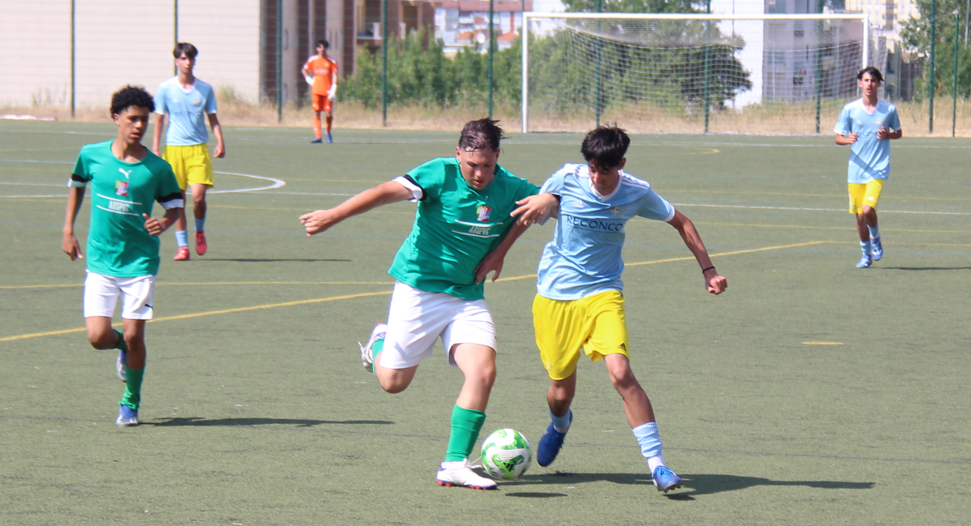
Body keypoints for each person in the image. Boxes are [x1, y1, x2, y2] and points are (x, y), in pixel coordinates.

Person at [299, 119, 551, 490]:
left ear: (497, 157)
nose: (479, 174)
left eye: (486, 165)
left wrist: (504, 247)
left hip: (466, 295)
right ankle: (380, 342)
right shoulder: (438, 174)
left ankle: (453, 464)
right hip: (419, 289)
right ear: (458, 155)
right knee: (393, 382)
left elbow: (537, 208)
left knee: (483, 371)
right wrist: (333, 215)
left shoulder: (511, 187)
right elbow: (385, 191)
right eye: (471, 165)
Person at [521, 125, 727, 494]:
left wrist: (708, 270)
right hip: (555, 295)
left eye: (605, 169)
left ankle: (658, 465)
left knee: (620, 373)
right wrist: (545, 202)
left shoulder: (636, 191)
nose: (597, 176)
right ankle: (560, 425)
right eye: (593, 168)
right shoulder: (567, 177)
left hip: (603, 293)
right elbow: (543, 204)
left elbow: (681, 222)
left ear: (621, 164)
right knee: (559, 392)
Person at [62, 85, 184, 427]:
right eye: (132, 119)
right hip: (101, 260)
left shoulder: (156, 168)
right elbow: (76, 185)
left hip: (140, 263)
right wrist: (68, 230)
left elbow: (175, 203)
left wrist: (165, 222)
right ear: (116, 118)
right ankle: (121, 349)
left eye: (144, 120)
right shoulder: (92, 155)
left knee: (135, 336)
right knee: (98, 337)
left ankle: (130, 402)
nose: (139, 126)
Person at [152, 42, 226, 261]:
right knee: (178, 201)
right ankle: (182, 247)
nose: (187, 62)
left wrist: (220, 141)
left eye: (191, 58)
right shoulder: (165, 88)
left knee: (198, 197)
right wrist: (155, 147)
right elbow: (158, 120)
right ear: (176, 61)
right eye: (183, 58)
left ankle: (199, 230)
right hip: (174, 150)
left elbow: (213, 119)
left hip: (197, 150)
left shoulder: (204, 89)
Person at [834, 66, 902, 268]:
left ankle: (876, 238)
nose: (869, 84)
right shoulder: (850, 109)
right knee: (860, 216)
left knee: (867, 208)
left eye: (873, 81)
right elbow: (838, 137)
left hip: (878, 169)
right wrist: (847, 140)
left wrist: (888, 135)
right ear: (859, 83)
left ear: (879, 84)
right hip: (856, 170)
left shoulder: (888, 109)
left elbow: (898, 132)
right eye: (865, 80)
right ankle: (866, 255)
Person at [301, 40, 338, 144]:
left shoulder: (332, 61)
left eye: (324, 47)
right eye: (320, 47)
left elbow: (335, 75)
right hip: (316, 90)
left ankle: (328, 131)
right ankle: (318, 137)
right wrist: (308, 79)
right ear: (317, 49)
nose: (322, 50)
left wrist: (334, 88)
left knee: (328, 114)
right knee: (316, 112)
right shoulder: (313, 60)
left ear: (326, 48)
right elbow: (304, 70)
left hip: (327, 91)